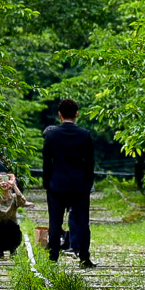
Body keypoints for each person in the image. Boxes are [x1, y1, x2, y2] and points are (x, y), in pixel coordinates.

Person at [42, 98, 96, 268]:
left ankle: (53, 257)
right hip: (79, 185)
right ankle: (84, 258)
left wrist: (47, 183)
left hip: (57, 184)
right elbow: (90, 163)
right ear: (77, 115)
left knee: (55, 222)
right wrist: (88, 183)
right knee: (82, 222)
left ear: (60, 115)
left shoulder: (51, 135)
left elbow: (46, 162)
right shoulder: (85, 135)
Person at [0, 172, 34, 258]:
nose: (4, 183)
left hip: (12, 227)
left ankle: (13, 249)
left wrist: (14, 185)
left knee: (12, 227)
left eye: (6, 181)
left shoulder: (14, 197)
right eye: (1, 181)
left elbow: (22, 201)